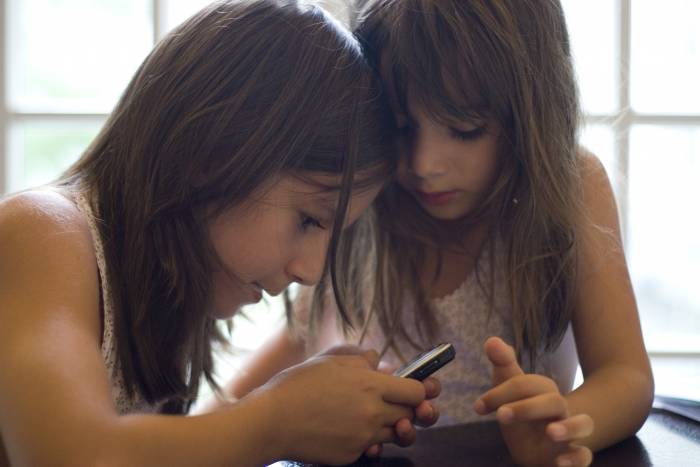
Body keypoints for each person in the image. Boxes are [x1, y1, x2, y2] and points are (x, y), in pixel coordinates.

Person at [0, 1, 443, 466]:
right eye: (309, 219)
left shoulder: (170, 297)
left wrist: (317, 419)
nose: (311, 271)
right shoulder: (40, 234)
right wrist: (279, 419)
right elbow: (72, 459)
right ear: (212, 154)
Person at [223, 1, 655, 466]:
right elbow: (293, 344)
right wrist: (223, 430)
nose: (426, 164)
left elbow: (626, 376)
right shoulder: (371, 193)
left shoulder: (568, 186)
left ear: (529, 112)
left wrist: (562, 426)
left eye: (465, 129)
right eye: (403, 128)